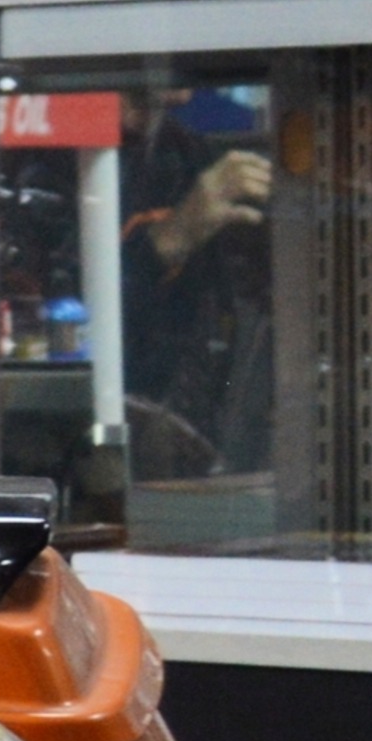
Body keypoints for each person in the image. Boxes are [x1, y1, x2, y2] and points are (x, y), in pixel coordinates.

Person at [117, 101, 280, 481]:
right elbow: (55, 322)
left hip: (192, 442)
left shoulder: (187, 153)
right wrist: (172, 236)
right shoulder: (52, 151)